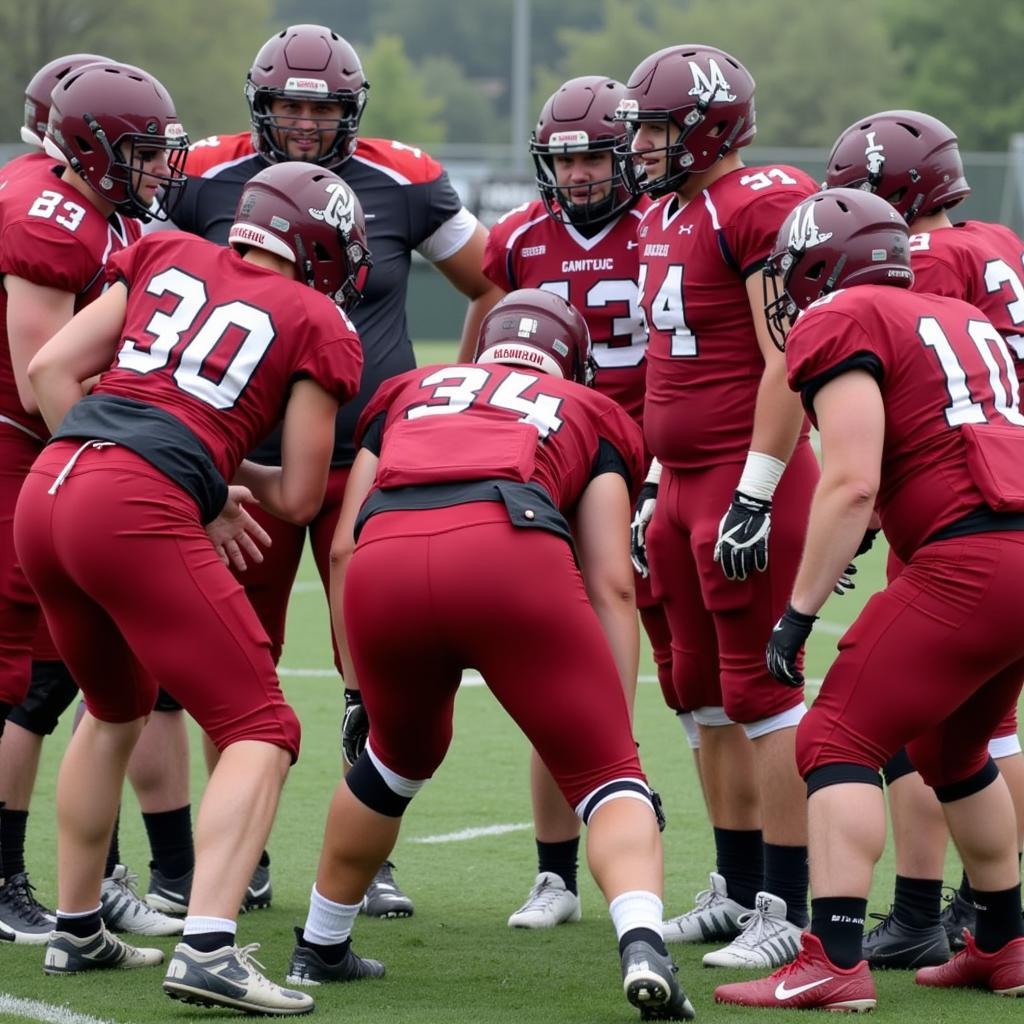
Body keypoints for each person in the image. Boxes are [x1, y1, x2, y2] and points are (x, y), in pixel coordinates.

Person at [15, 160, 368, 1015]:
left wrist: (181, 468)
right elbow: (293, 495)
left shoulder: (163, 250)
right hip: (133, 505)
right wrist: (184, 474)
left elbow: (49, 374)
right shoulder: (317, 318)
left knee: (114, 706)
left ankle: (75, 925)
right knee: (262, 726)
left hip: (50, 484)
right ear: (320, 243)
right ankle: (209, 945)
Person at [285, 288, 693, 1021]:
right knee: (609, 778)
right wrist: (613, 728)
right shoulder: (589, 408)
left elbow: (342, 542)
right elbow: (612, 584)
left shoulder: (409, 390)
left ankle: (320, 943)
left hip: (385, 562)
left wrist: (355, 685)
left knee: (390, 762)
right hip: (508, 547)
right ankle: (641, 943)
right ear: (570, 360)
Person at [168, 23, 501, 916]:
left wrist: (445, 385)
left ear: (351, 111)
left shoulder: (402, 179)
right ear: (261, 106)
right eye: (289, 105)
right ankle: (253, 852)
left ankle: (366, 856)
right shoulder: (204, 178)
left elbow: (491, 284)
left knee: (379, 668)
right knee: (239, 662)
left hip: (370, 457)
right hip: (249, 459)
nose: (305, 122)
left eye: (321, 107)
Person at [714, 186, 1024, 1010]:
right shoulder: (961, 316)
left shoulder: (841, 317)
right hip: (1010, 547)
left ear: (818, 266)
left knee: (834, 738)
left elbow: (850, 482)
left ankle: (833, 958)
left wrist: (798, 610)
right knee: (956, 754)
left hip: (971, 557)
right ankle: (1002, 942)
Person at [615, 44, 821, 968]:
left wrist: (758, 492)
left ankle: (791, 899)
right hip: (684, 483)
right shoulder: (671, 208)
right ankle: (737, 889)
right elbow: (674, 366)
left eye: (656, 127)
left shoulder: (757, 203)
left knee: (763, 692)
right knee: (696, 691)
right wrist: (658, 482)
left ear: (703, 128)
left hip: (745, 479)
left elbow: (787, 357)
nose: (642, 145)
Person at [471, 74, 680, 930]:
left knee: (677, 658)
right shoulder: (520, 234)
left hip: (650, 452)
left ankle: (629, 783)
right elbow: (489, 341)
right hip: (559, 456)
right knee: (557, 656)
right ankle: (555, 873)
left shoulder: (663, 224)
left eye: (596, 155)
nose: (583, 173)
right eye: (567, 159)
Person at [824, 109, 1024, 969]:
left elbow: (912, 385)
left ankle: (918, 910)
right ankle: (992, 915)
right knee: (982, 727)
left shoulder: (921, 263)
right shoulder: (1001, 243)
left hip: (959, 494)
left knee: (899, 722)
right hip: (1007, 477)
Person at [0, 57, 189, 943]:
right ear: (92, 148)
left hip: (63, 455)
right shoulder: (47, 217)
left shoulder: (99, 210)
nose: (158, 169)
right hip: (27, 451)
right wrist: (124, 463)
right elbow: (43, 376)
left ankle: (97, 869)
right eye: (143, 153)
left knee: (81, 673)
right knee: (26, 681)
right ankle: (4, 878)